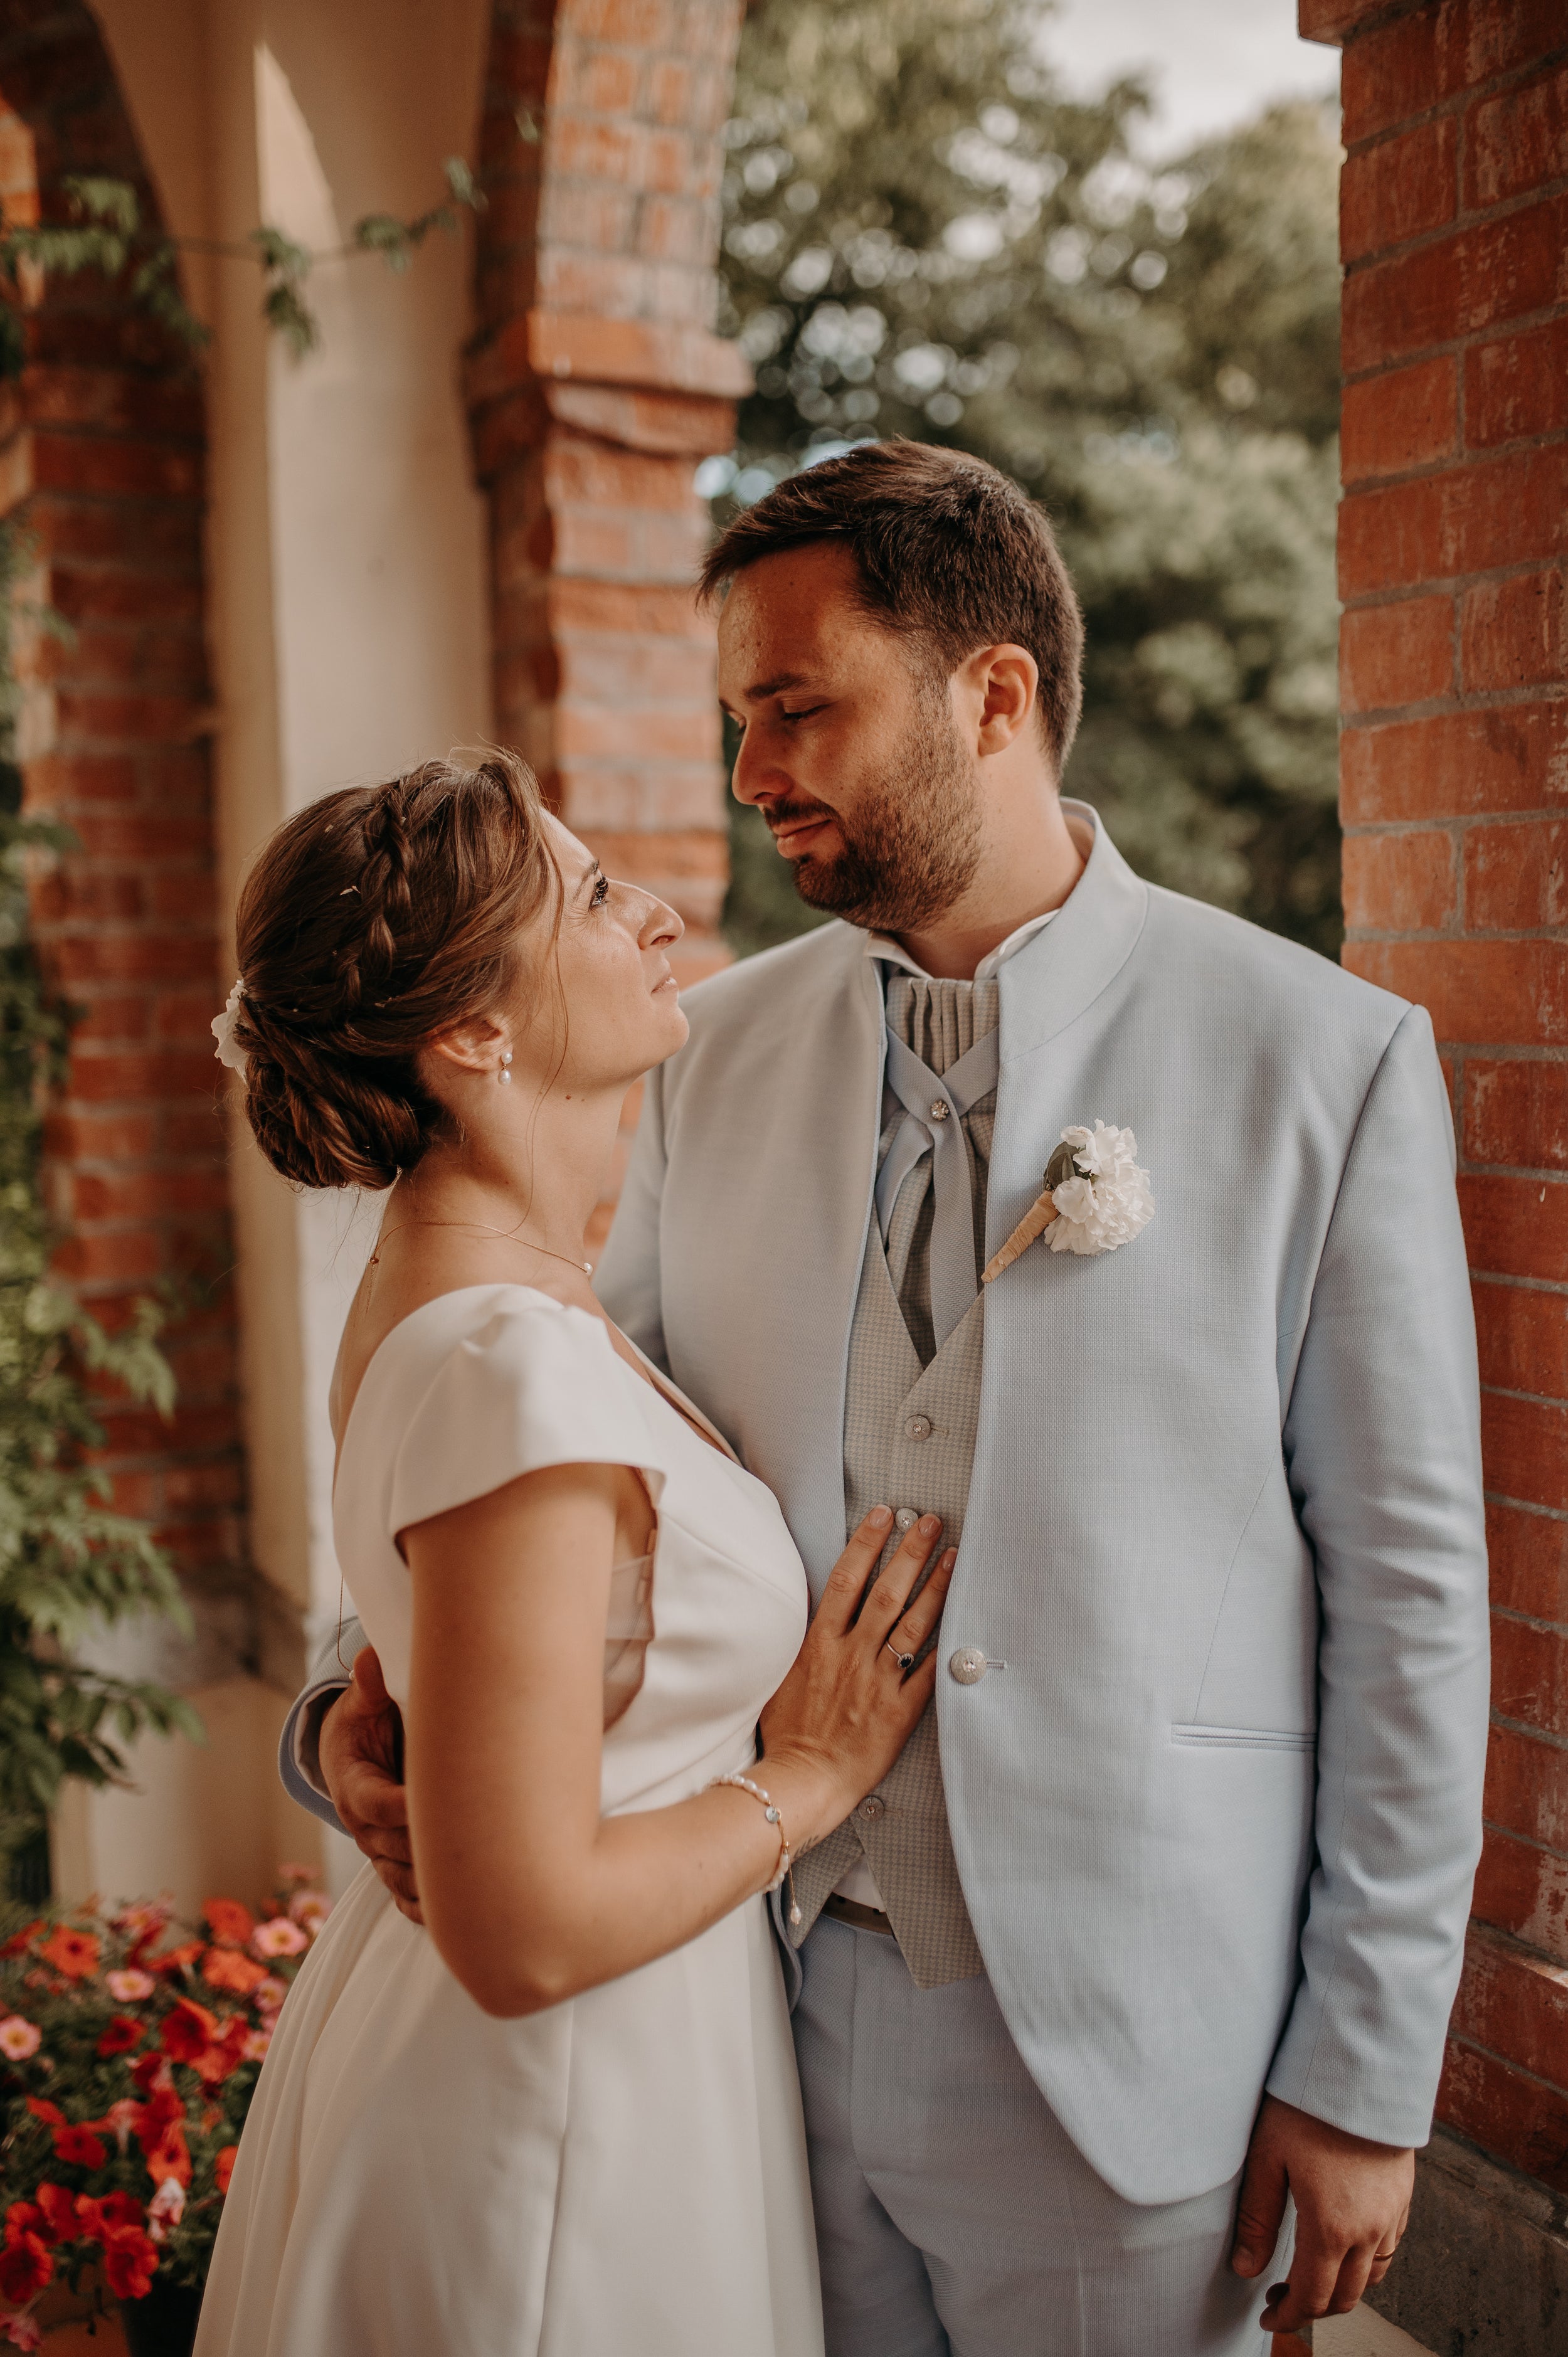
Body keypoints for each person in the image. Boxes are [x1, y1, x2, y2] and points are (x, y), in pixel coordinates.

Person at [290, 445, 1490, 2356]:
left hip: (1131, 2058)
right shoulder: (705, 1053)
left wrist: (1362, 2067)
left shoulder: (1316, 1061)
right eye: (733, 719)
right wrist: (346, 1703)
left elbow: (1412, 1601)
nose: (751, 773)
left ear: (990, 695)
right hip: (751, 2021)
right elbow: (539, 1429)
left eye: (796, 707)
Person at [194, 751, 959, 2356]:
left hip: (623, 2054)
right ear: (472, 1035)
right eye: (597, 898)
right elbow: (522, 1928)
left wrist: (361, 1710)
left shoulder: (477, 1297)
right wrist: (809, 1778)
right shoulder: (509, 1364)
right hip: (559, 2120)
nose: (661, 914)